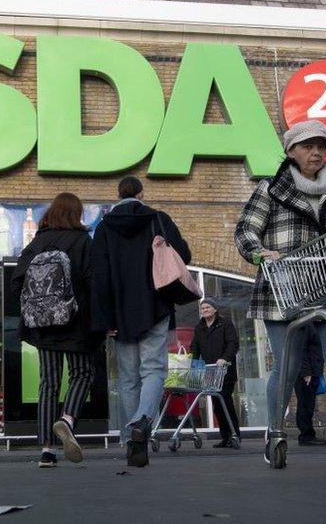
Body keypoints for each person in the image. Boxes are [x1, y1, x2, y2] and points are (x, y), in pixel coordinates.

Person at [235, 119, 326, 468]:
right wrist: (259, 253)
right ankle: (274, 432)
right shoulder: (270, 189)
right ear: (291, 151)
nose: (316, 152)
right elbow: (245, 232)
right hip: (285, 289)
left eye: (322, 146)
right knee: (286, 368)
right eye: (307, 146)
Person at [91, 176, 191, 467]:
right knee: (154, 370)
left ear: (118, 195)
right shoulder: (158, 219)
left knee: (128, 378)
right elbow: (183, 255)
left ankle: (129, 437)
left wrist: (105, 317)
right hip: (155, 306)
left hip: (120, 313)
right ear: (141, 193)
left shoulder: (105, 227)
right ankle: (140, 424)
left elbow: (100, 276)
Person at [10, 193, 102, 469]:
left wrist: (33, 312)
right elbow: (93, 283)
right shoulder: (83, 242)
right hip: (75, 323)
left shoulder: (36, 243)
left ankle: (47, 450)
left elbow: (17, 283)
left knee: (48, 384)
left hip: (42, 325)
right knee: (82, 373)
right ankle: (68, 419)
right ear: (76, 214)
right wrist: (99, 321)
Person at [190, 298, 240, 448]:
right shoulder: (199, 328)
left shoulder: (225, 324)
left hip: (225, 371)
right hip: (210, 371)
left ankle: (234, 435)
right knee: (216, 405)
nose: (204, 310)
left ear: (215, 309)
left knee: (225, 401)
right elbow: (195, 348)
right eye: (202, 308)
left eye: (207, 307)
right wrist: (193, 365)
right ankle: (225, 437)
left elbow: (233, 343)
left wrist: (224, 358)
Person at [294, 331, 326, 446]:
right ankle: (306, 435)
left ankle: (308, 434)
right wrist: (306, 372)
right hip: (307, 373)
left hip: (311, 371)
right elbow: (301, 350)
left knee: (308, 404)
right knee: (305, 404)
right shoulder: (306, 326)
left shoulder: (310, 326)